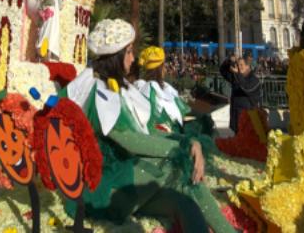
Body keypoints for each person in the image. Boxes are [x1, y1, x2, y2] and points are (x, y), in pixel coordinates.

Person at [63, 20, 236, 233]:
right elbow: (130, 140)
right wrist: (182, 148)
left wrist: (190, 142)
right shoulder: (97, 89)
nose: (133, 58)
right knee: (181, 165)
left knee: (187, 203)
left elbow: (147, 131)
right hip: (106, 189)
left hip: (129, 181)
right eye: (129, 52)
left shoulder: (116, 86)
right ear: (115, 55)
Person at [135, 46, 215, 137]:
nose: (165, 69)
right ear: (160, 68)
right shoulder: (151, 90)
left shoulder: (159, 88)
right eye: (164, 65)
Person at [220, 51, 261, 134]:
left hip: (248, 118)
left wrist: (237, 74)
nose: (239, 67)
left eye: (241, 65)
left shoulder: (254, 80)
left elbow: (246, 88)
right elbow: (223, 71)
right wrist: (229, 61)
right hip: (236, 117)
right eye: (238, 65)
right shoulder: (236, 77)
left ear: (247, 66)